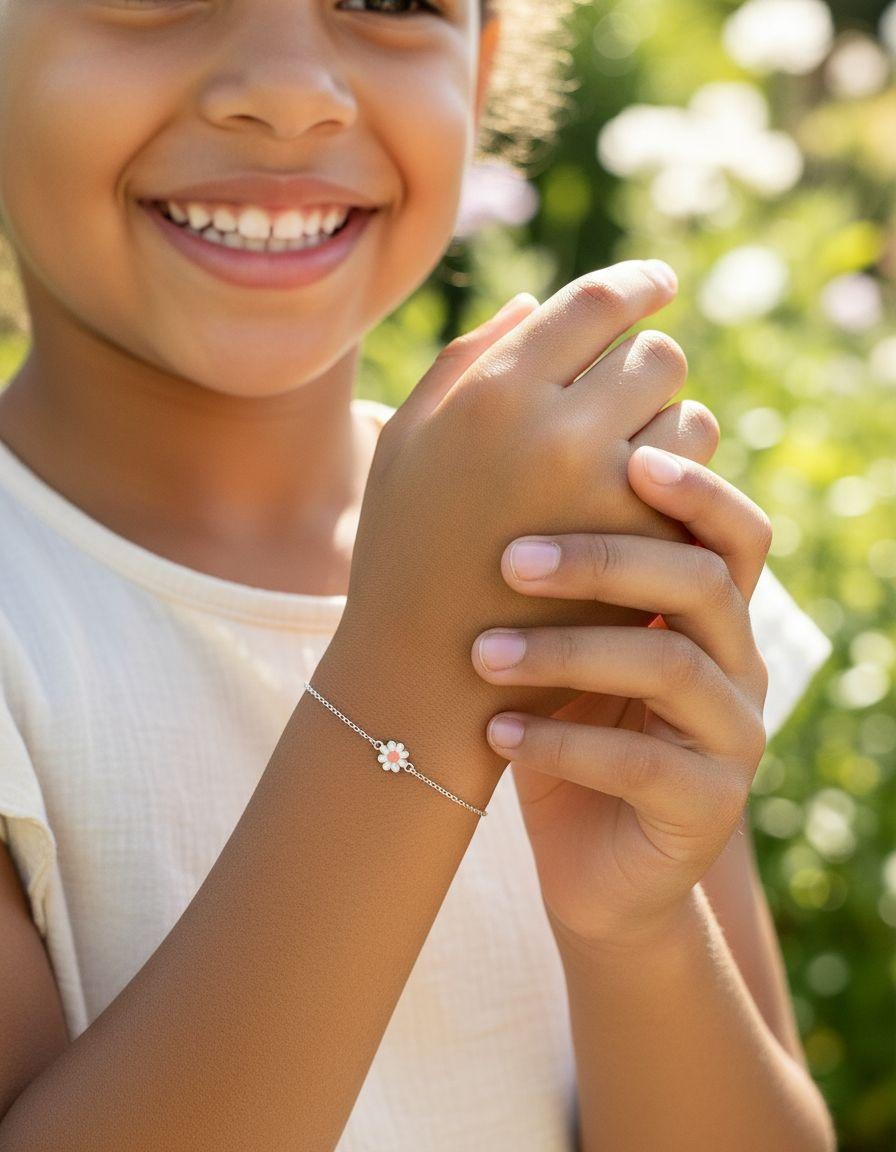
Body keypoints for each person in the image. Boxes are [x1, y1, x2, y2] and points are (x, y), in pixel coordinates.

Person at [0, 1, 835, 1149]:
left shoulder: (580, 551)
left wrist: (630, 934)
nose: (294, 89)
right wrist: (411, 683)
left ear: (482, 62)